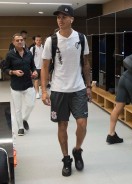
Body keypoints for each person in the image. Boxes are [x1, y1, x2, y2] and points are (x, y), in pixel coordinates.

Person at [40, 5, 91, 177]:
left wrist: (89, 86)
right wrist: (44, 91)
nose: (60, 20)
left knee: (82, 124)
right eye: (58, 17)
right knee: (62, 125)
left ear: (72, 19)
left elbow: (86, 64)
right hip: (59, 89)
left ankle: (77, 150)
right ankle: (66, 158)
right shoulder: (51, 41)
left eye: (64, 17)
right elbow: (45, 67)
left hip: (78, 88)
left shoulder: (81, 38)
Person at [3, 33, 38, 136]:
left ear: (24, 41)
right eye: (17, 40)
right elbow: (5, 69)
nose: (20, 41)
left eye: (21, 40)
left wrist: (35, 71)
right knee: (18, 109)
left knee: (31, 105)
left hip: (28, 84)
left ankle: (24, 119)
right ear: (13, 42)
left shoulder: (29, 53)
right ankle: (20, 127)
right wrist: (14, 72)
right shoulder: (10, 55)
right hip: (16, 86)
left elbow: (33, 66)